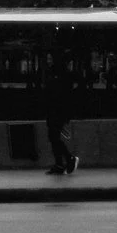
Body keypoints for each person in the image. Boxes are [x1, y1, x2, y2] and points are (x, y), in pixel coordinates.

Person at [40, 45, 78, 176]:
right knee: (53, 137)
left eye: (50, 58)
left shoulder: (59, 74)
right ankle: (60, 163)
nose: (48, 60)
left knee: (54, 137)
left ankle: (67, 159)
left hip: (57, 111)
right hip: (55, 111)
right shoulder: (58, 73)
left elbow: (61, 95)